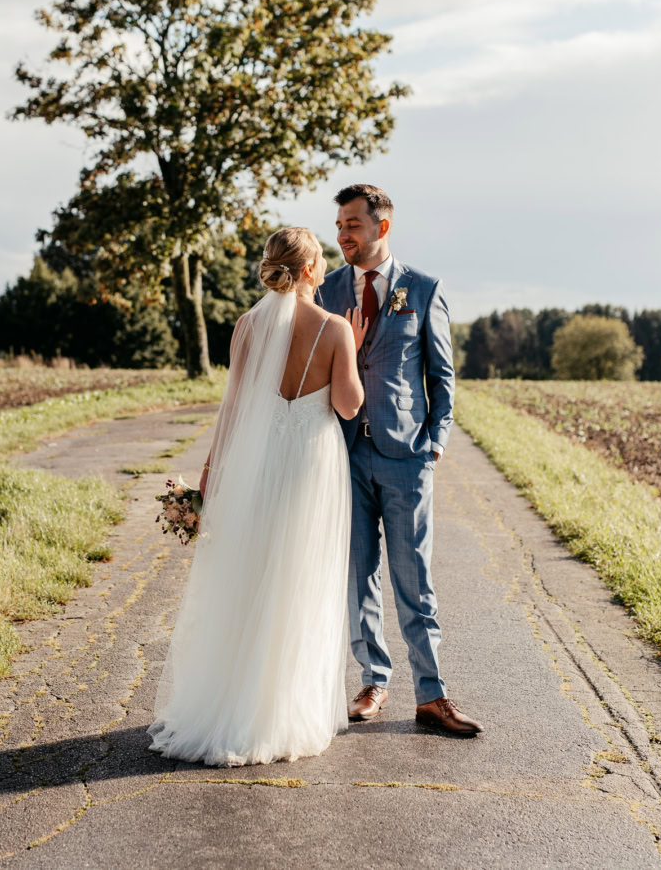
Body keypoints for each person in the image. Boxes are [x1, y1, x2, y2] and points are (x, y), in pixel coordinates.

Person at [147, 227, 366, 766]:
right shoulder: (335, 328)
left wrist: (209, 477)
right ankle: (281, 712)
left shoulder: (247, 326)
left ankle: (234, 704)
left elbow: (233, 408)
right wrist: (352, 349)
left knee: (250, 574)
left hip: (259, 458)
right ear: (313, 269)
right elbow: (347, 406)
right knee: (299, 579)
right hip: (312, 465)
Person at [318, 183, 484, 736]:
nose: (343, 234)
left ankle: (432, 695)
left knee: (415, 578)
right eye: (339, 224)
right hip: (344, 453)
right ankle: (373, 681)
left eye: (352, 225)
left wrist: (434, 443)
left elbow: (442, 375)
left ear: (381, 227)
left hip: (405, 456)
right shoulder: (327, 289)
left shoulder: (423, 288)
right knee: (357, 574)